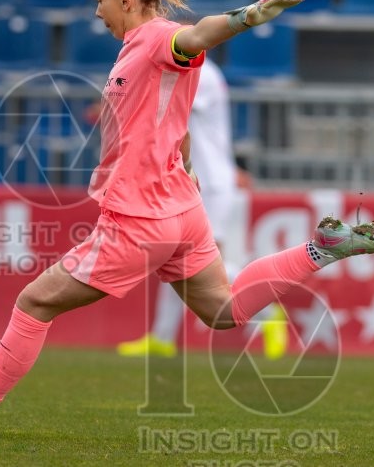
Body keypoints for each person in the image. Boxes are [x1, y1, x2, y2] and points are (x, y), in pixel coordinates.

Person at [0, 0, 374, 434]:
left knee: (35, 302)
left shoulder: (154, 39)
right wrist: (180, 164)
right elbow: (175, 124)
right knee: (225, 312)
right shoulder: (137, 54)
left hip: (140, 218)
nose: (96, 10)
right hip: (180, 210)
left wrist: (246, 16)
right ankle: (321, 249)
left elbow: (196, 36)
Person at [116, 58, 289, 360]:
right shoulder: (199, 70)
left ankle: (267, 312)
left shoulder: (200, 73)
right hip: (202, 179)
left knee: (206, 263)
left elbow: (166, 108)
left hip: (207, 183)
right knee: (175, 257)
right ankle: (162, 338)